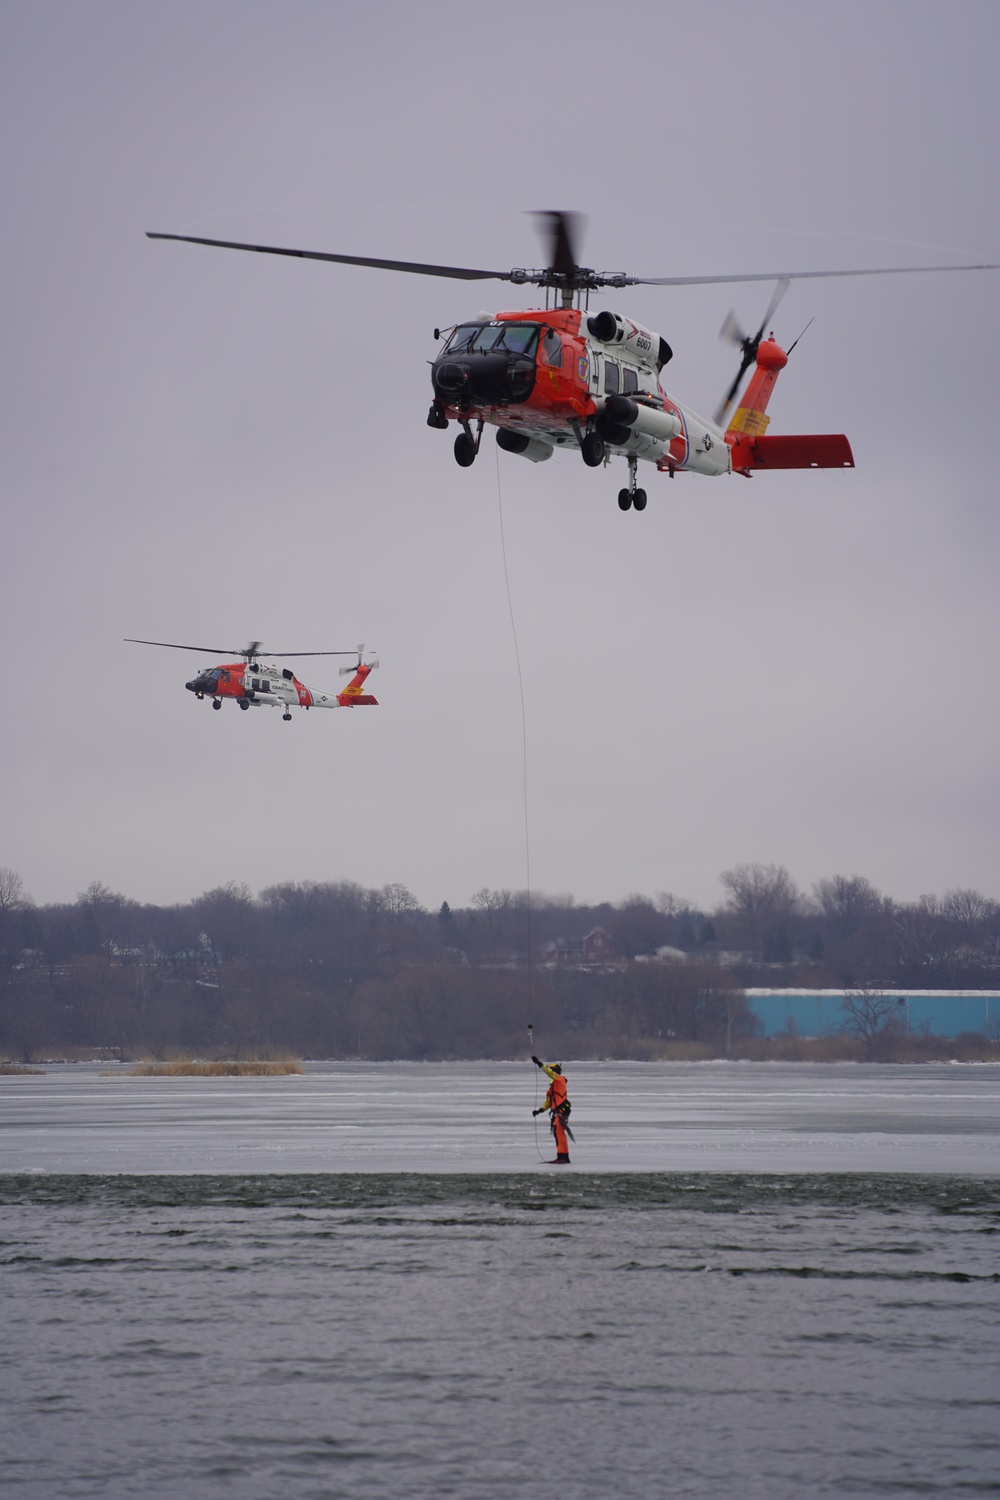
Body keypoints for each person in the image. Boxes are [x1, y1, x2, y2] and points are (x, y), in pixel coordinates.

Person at [531, 1055, 572, 1163]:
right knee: (559, 1133)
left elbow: (548, 1072)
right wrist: (540, 1110)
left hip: (560, 1112)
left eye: (552, 1070)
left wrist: (539, 1063)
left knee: (559, 1134)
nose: (550, 1072)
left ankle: (561, 1157)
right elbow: (549, 1102)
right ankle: (564, 1157)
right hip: (557, 1112)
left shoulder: (559, 1080)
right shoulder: (554, 1085)